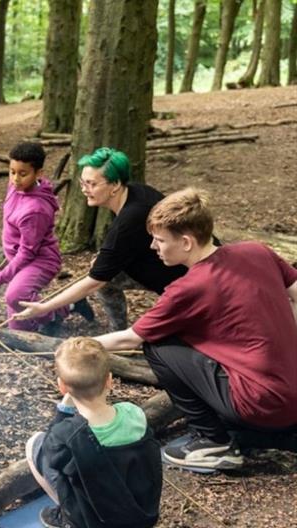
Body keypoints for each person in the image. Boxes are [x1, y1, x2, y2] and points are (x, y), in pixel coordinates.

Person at [94, 188, 297, 470]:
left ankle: (214, 442)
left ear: (187, 242)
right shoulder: (256, 251)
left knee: (157, 346)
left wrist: (75, 346)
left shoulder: (189, 287)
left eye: (160, 239)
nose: (153, 246)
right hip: (291, 392)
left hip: (261, 405)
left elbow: (131, 337)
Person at [14, 147, 188, 331]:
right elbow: (127, 245)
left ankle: (122, 338)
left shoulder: (130, 218)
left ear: (115, 185)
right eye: (83, 182)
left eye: (92, 184)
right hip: (163, 263)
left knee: (103, 279)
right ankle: (118, 330)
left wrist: (45, 307)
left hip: (184, 278)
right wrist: (104, 262)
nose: (84, 189)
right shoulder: (135, 192)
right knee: (105, 275)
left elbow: (94, 281)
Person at [26, 337, 161, 528]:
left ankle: (68, 517)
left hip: (92, 520)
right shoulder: (134, 413)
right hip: (139, 512)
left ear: (62, 386)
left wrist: (63, 412)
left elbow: (51, 452)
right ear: (109, 381)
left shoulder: (65, 435)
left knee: (35, 444)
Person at [0, 142, 88, 334]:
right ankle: (60, 309)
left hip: (39, 261)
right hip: (19, 259)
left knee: (15, 297)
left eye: (23, 173)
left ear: (38, 174)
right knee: (19, 329)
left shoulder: (35, 210)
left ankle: (61, 311)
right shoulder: (15, 186)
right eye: (12, 172)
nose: (15, 179)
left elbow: (27, 253)